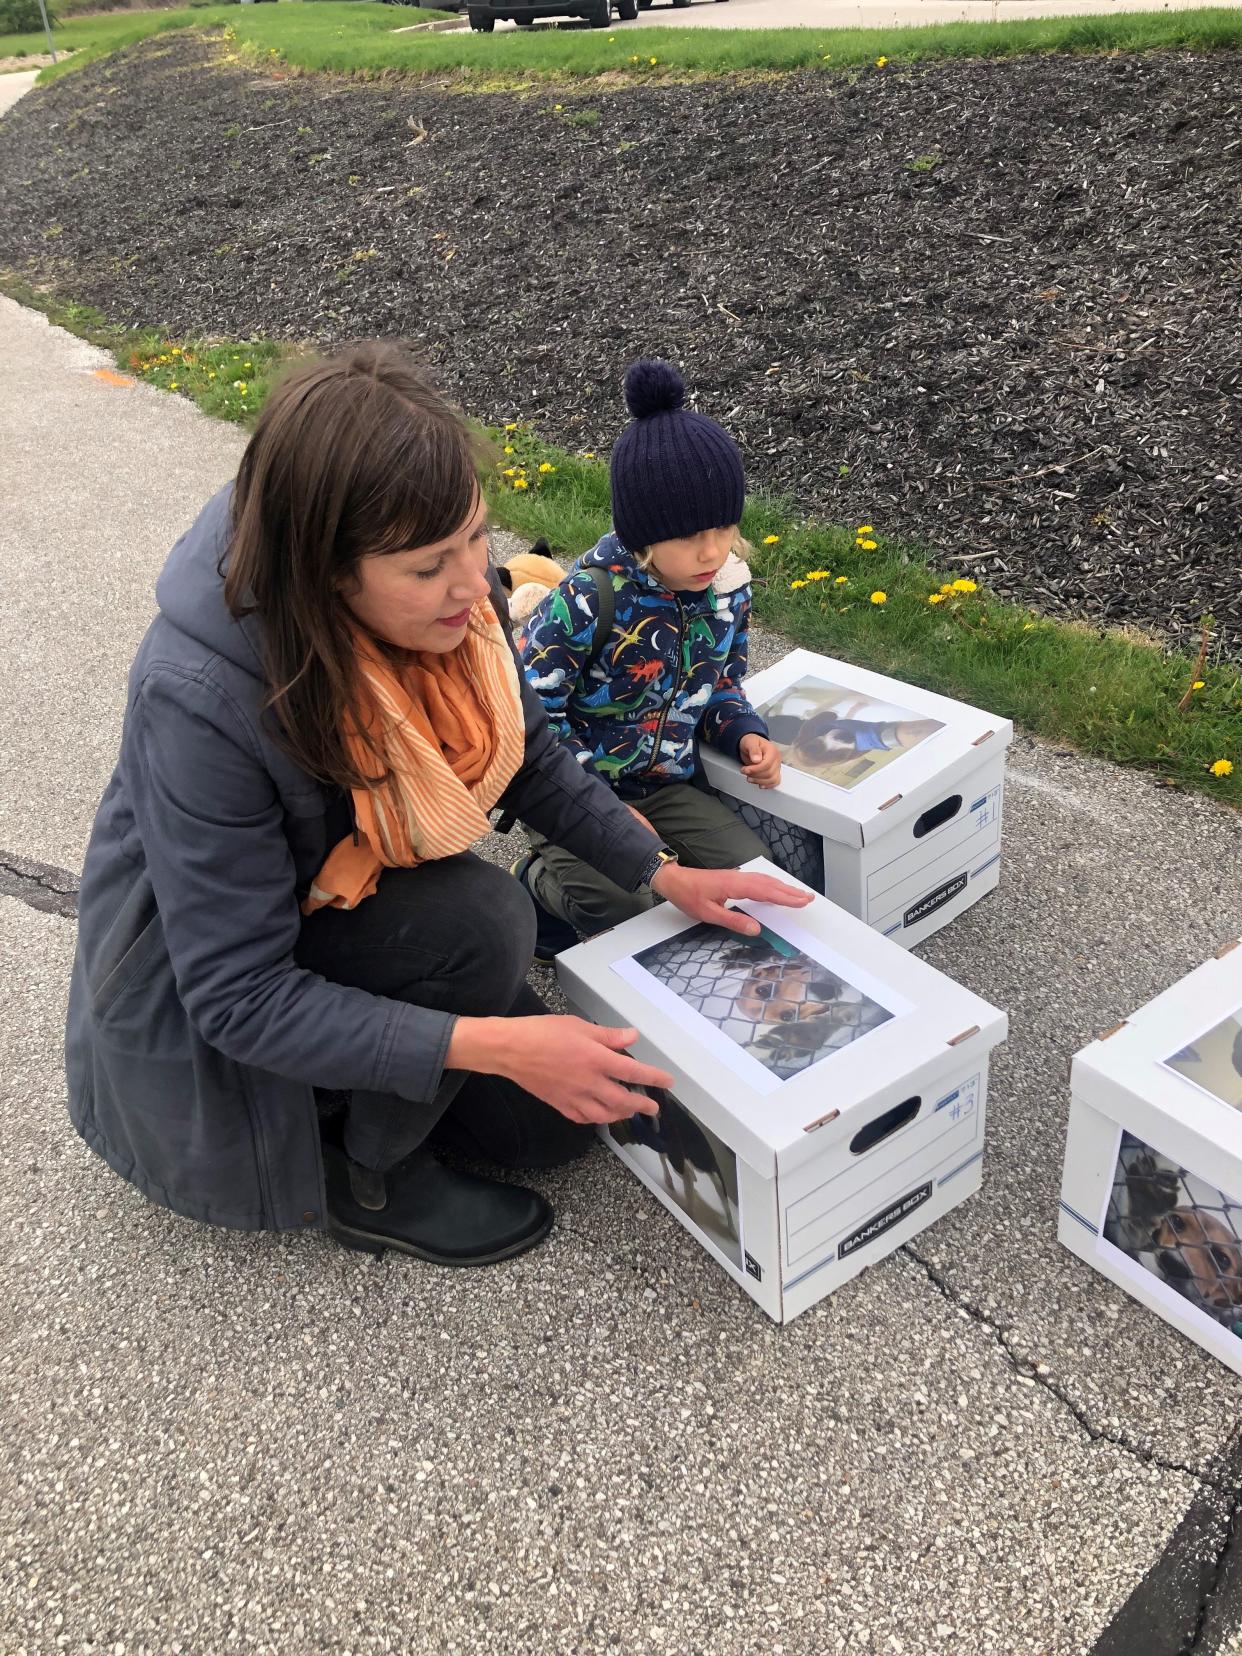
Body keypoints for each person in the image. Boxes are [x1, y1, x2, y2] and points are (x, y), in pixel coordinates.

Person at [64, 343, 810, 1269]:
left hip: (345, 899)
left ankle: (374, 1069)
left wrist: (659, 871)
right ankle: (369, 1180)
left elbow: (531, 752)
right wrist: (494, 1043)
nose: (475, 587)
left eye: (476, 537)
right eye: (428, 567)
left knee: (554, 1140)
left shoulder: (441, 595)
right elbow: (236, 997)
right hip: (209, 996)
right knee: (488, 917)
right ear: (326, 577)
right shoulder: (199, 699)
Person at [512, 359, 783, 962]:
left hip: (664, 786)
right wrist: (600, 807)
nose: (711, 549)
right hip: (576, 794)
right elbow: (530, 714)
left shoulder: (728, 588)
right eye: (689, 536)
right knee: (634, 909)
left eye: (724, 526)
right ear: (643, 534)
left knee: (758, 882)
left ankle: (635, 872)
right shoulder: (589, 597)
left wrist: (741, 731)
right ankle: (537, 888)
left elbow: (722, 682)